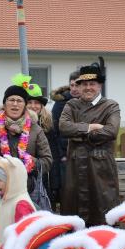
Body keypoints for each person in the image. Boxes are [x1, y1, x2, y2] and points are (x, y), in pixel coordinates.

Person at [59, 61, 121, 226]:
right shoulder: (71, 105)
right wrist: (90, 128)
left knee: (102, 213)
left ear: (99, 85)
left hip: (100, 170)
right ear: (78, 87)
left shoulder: (110, 106)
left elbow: (111, 131)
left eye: (92, 84)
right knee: (75, 216)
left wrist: (80, 134)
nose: (88, 88)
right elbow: (64, 127)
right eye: (84, 84)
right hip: (75, 170)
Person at [0, 81, 52, 205]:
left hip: (27, 191)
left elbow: (47, 161)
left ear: (25, 105)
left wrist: (27, 163)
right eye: (11, 100)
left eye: (19, 101)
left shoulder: (35, 129)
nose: (15, 104)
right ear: (4, 104)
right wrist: (2, 165)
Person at [48, 72, 80, 206]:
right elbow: (56, 131)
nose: (74, 88)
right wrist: (62, 154)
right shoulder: (61, 103)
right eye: (72, 85)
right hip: (65, 154)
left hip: (83, 153)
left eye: (77, 85)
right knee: (67, 190)